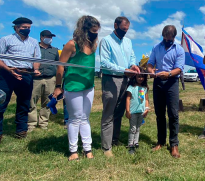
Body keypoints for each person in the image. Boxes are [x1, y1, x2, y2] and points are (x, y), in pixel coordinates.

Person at [53, 15, 100, 161]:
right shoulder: (71, 45)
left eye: (97, 31)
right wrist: (58, 86)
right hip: (73, 86)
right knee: (74, 119)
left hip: (88, 86)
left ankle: (87, 149)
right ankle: (73, 150)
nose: (95, 34)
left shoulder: (93, 45)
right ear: (84, 29)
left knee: (85, 118)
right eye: (93, 30)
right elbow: (60, 66)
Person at [100, 16, 139, 157]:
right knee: (108, 113)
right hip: (111, 79)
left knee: (119, 112)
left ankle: (114, 139)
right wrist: (123, 70)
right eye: (123, 29)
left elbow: (132, 58)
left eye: (127, 30)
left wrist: (133, 66)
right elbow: (104, 63)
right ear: (115, 25)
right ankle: (106, 147)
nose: (125, 32)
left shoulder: (128, 42)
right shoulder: (106, 41)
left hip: (125, 80)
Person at [0, 17, 41, 141]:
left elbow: (36, 58)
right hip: (7, 74)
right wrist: (9, 70)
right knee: (1, 102)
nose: (27, 30)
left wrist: (36, 69)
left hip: (26, 75)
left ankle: (21, 130)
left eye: (29, 28)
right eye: (24, 27)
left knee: (24, 103)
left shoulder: (33, 42)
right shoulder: (6, 39)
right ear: (17, 27)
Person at [147, 25, 185, 158]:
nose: (167, 40)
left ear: (174, 37)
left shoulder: (179, 49)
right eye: (165, 37)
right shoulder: (156, 47)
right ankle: (161, 141)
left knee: (173, 114)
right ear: (162, 35)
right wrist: (151, 71)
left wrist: (168, 74)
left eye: (170, 38)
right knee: (159, 114)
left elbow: (179, 68)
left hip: (171, 82)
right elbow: (150, 63)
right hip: (158, 82)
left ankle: (174, 144)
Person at [28, 30, 59, 131]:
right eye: (48, 36)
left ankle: (43, 123)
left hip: (50, 79)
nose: (50, 38)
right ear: (41, 37)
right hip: (35, 79)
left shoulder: (55, 50)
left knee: (48, 102)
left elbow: (58, 64)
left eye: (51, 37)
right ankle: (31, 124)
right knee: (32, 101)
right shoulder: (34, 48)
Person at [125, 68, 149, 155]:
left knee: (138, 128)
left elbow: (146, 99)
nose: (141, 78)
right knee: (133, 128)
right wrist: (127, 111)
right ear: (135, 77)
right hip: (133, 112)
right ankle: (130, 144)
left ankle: (136, 142)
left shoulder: (144, 88)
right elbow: (128, 99)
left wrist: (147, 109)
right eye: (139, 76)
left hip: (141, 112)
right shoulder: (131, 87)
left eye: (142, 77)